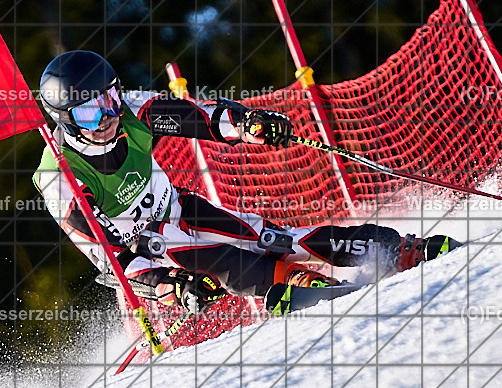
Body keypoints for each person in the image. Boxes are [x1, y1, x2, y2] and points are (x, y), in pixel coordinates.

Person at [32, 50, 460, 316]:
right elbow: (110, 261)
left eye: (110, 99)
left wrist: (247, 124)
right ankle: (297, 286)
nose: (108, 118)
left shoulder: (131, 111)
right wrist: (168, 287)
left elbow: (199, 118)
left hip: (176, 206)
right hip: (144, 245)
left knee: (273, 235)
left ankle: (393, 248)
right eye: (91, 113)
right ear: (66, 119)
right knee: (220, 260)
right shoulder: (60, 178)